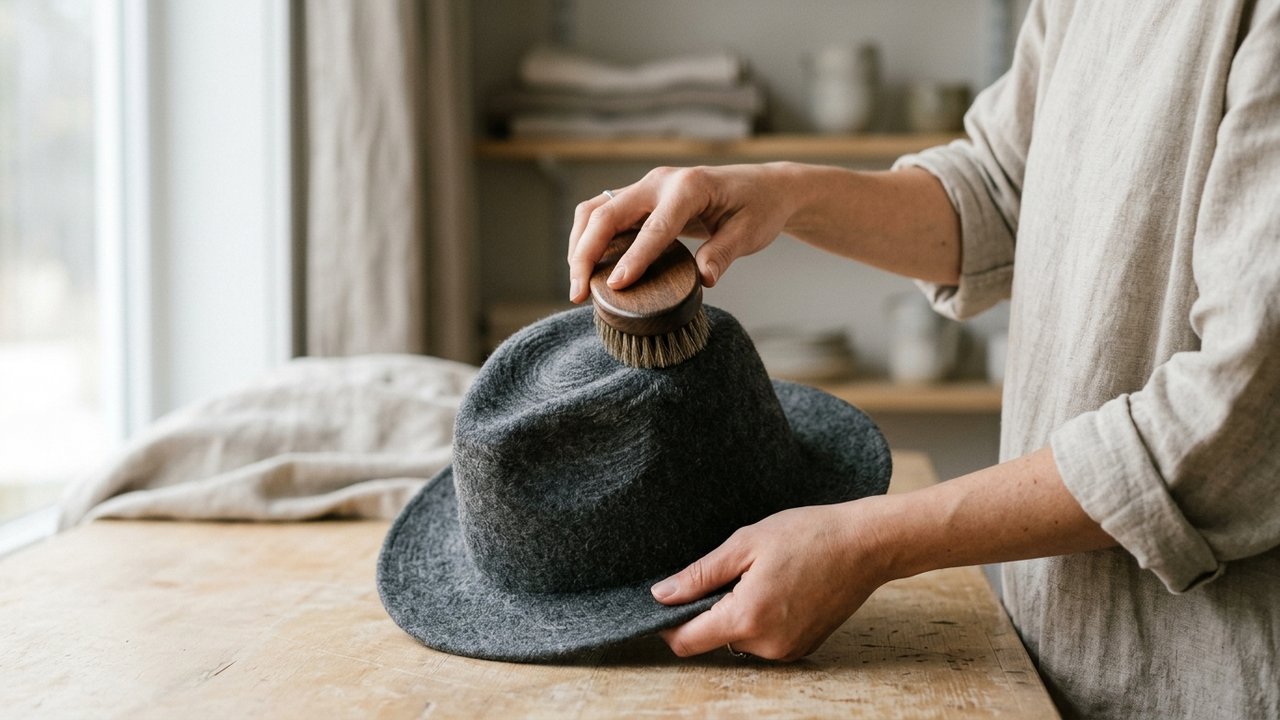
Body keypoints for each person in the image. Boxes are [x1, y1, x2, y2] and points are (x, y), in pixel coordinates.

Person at [564, 2, 1279, 717]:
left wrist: (870, 542)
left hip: (1210, 676)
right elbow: (1000, 193)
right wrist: (780, 192)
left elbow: (1232, 430)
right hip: (1050, 661)